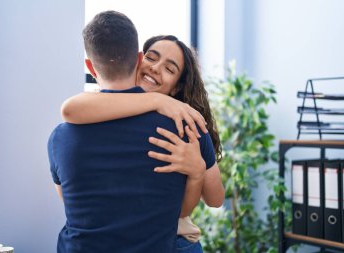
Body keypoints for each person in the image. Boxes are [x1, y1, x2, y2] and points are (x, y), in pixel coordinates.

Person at [48, 11, 220, 253]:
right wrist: (157, 102)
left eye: (170, 69)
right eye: (152, 57)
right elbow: (70, 109)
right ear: (139, 59)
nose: (156, 69)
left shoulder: (187, 126)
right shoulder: (181, 125)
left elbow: (72, 201)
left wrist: (197, 171)